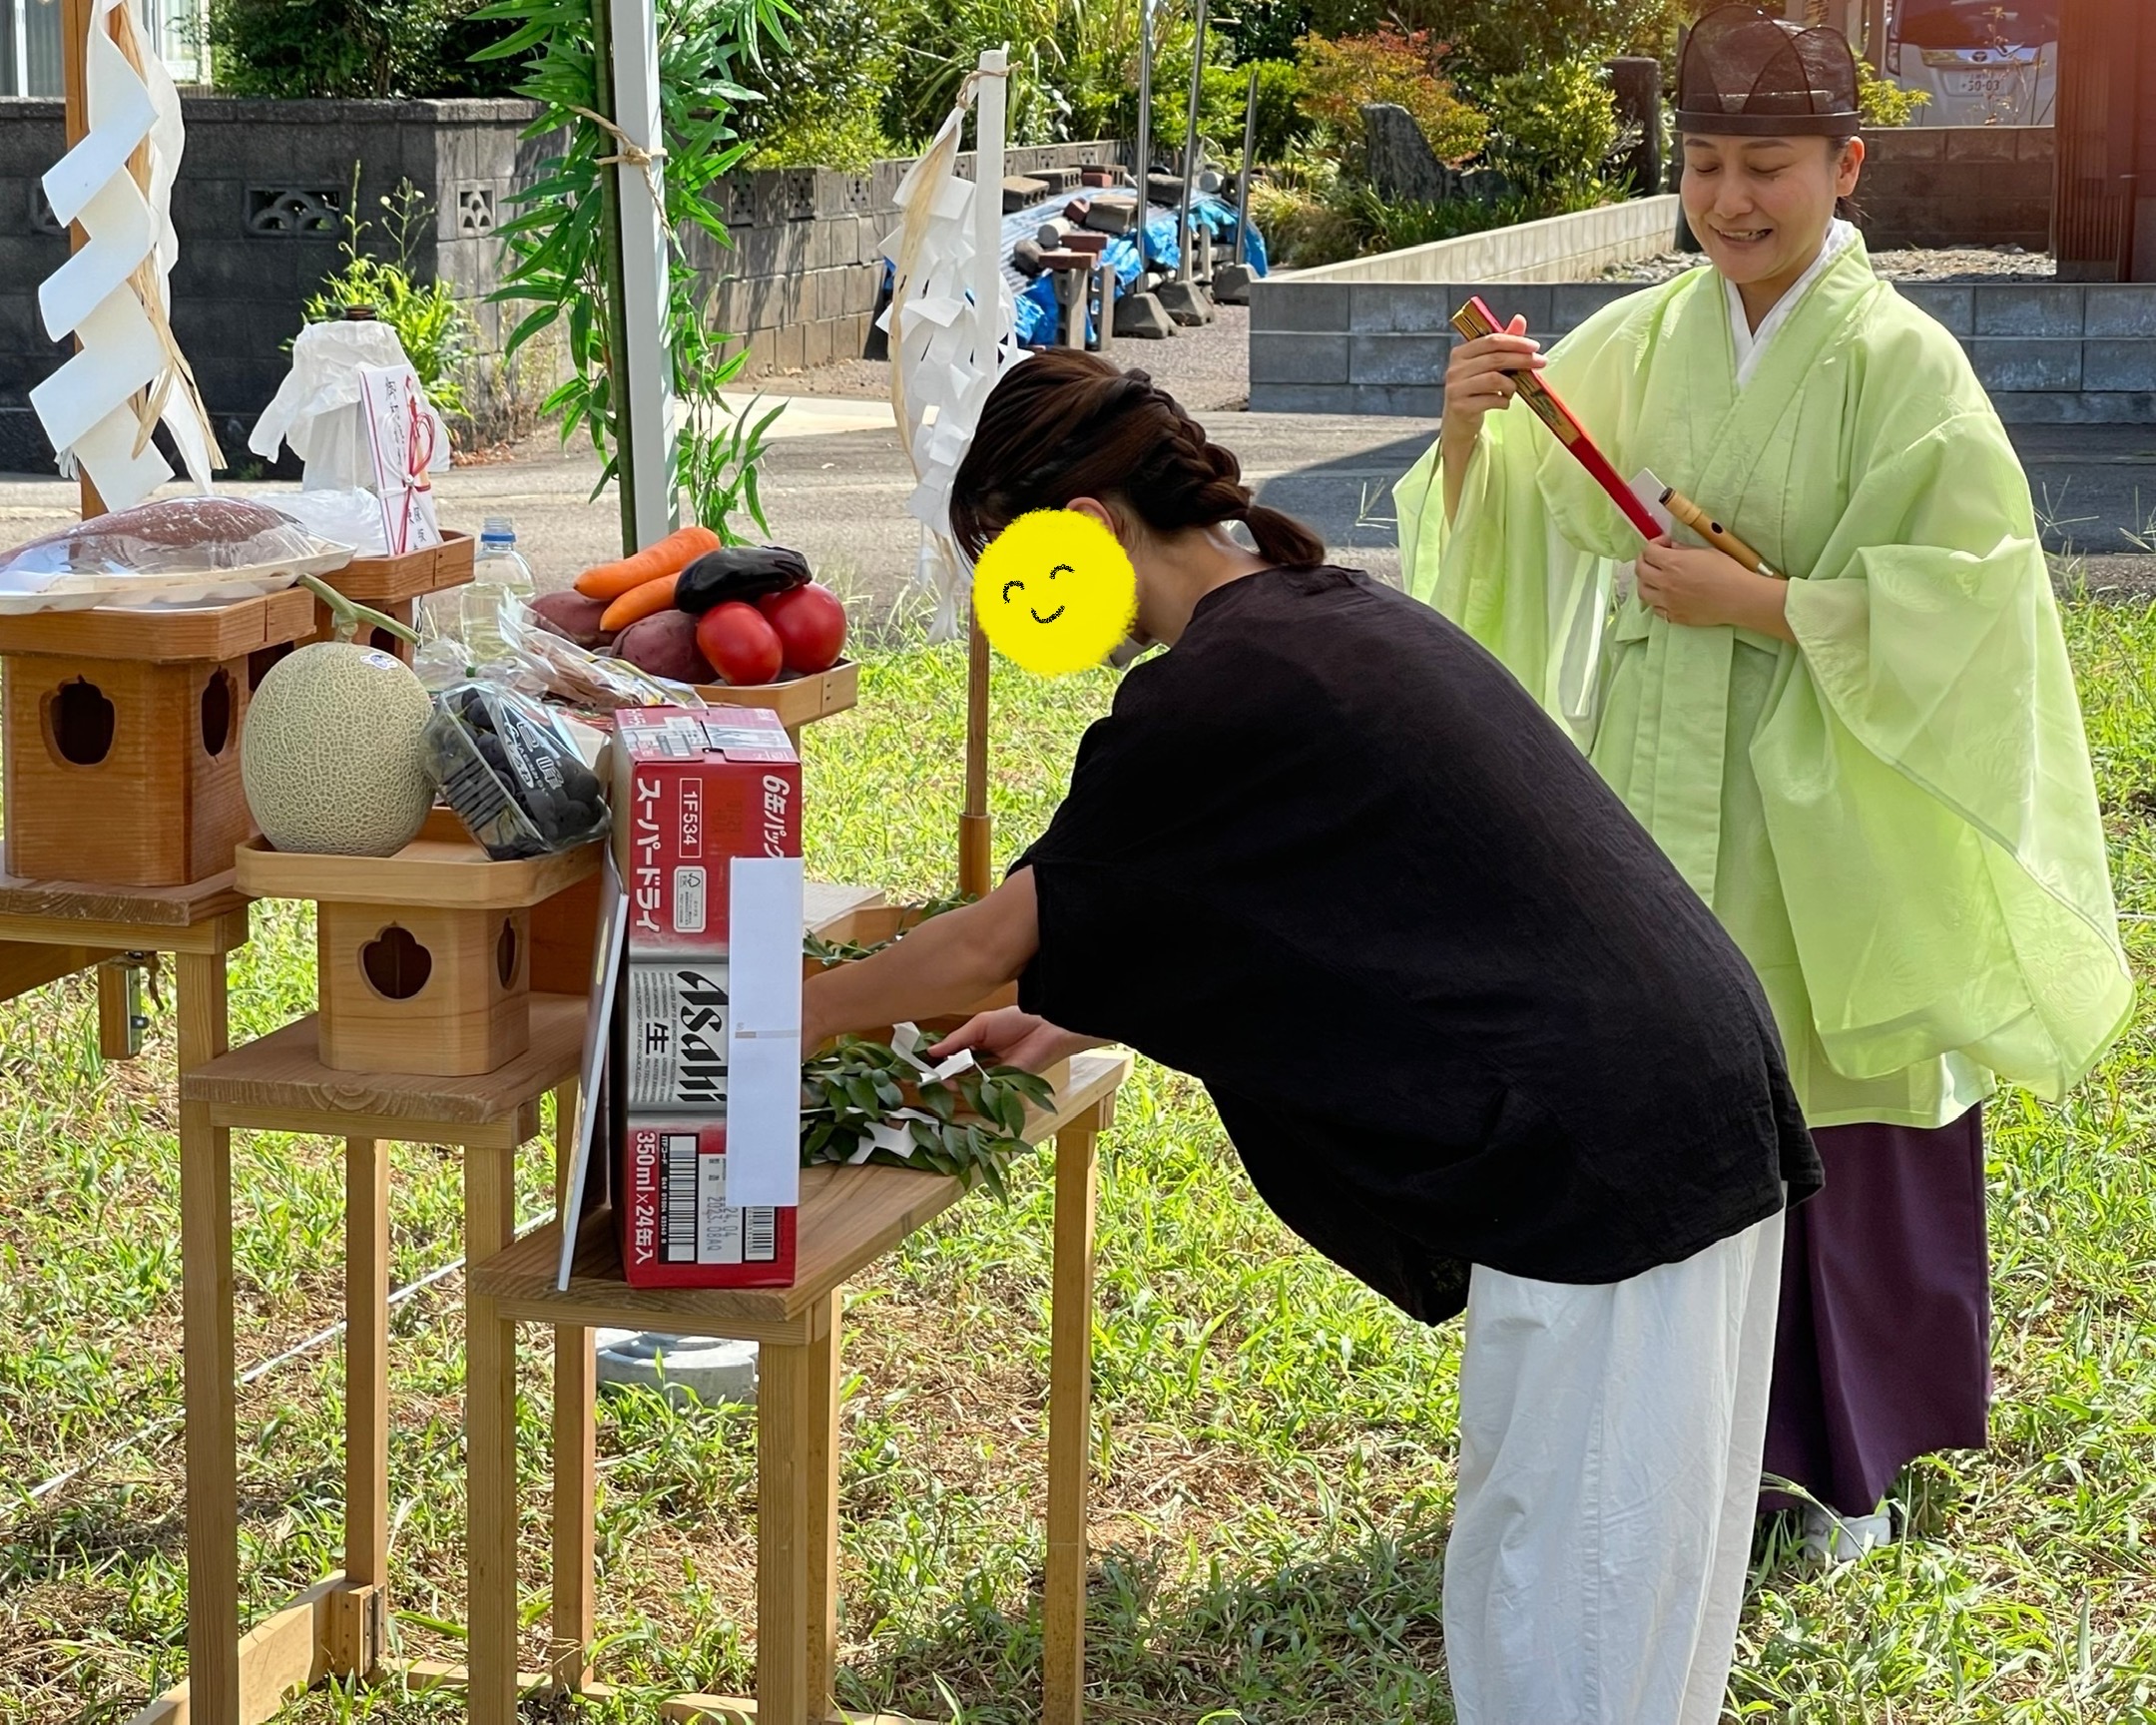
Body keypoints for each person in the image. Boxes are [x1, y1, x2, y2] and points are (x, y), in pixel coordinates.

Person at [804, 344, 1822, 1725]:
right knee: (1605, 1596)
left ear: (1095, 532)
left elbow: (994, 933)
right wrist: (1048, 1008)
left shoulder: (1215, 689)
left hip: (1610, 1149)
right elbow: (1264, 903)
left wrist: (763, 1013)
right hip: (1675, 1101)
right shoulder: (1312, 613)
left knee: (1568, 1615)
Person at [1393, 3, 2132, 1559]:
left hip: (1827, 802)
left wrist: (1776, 604)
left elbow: (1974, 593)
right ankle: (1687, 1458)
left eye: (1773, 166)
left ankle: (1845, 1468)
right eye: (1710, 165)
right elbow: (1527, 503)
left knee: (1836, 1119)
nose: (1735, 199)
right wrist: (1473, 432)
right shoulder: (1650, 335)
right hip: (1650, 795)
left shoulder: (1899, 363)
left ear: (1845, 166)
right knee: (1681, 1116)